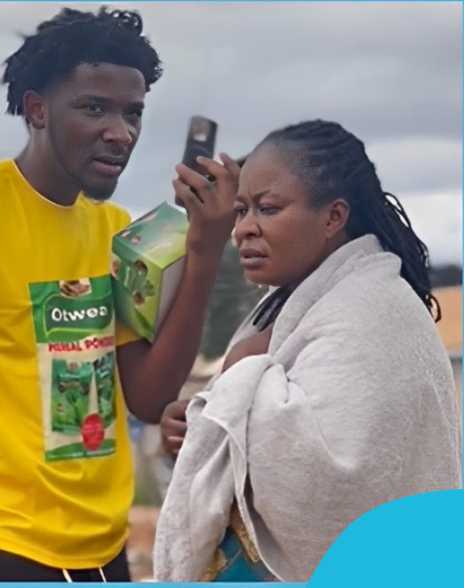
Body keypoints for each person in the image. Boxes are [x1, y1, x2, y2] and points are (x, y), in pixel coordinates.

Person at [0, 6, 239, 582]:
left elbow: (148, 396)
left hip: (104, 549)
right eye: (94, 108)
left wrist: (204, 252)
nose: (121, 132)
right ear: (37, 110)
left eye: (133, 113)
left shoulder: (116, 229)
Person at [154, 120, 462, 581]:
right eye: (241, 211)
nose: (244, 230)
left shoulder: (374, 311)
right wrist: (197, 426)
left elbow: (331, 482)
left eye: (268, 208)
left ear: (333, 217)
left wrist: (239, 373)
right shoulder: (286, 307)